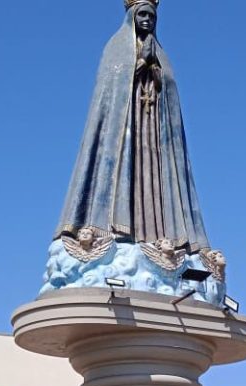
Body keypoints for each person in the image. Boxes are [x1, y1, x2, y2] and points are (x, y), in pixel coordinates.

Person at [55, 0, 211, 254]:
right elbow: (112, 88)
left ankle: (160, 239)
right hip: (125, 133)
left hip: (154, 135)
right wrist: (140, 62)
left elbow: (170, 94)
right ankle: (114, 231)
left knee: (154, 183)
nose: (147, 20)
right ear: (131, 17)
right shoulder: (116, 48)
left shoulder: (162, 56)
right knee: (127, 174)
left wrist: (156, 70)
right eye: (142, 15)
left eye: (151, 16)